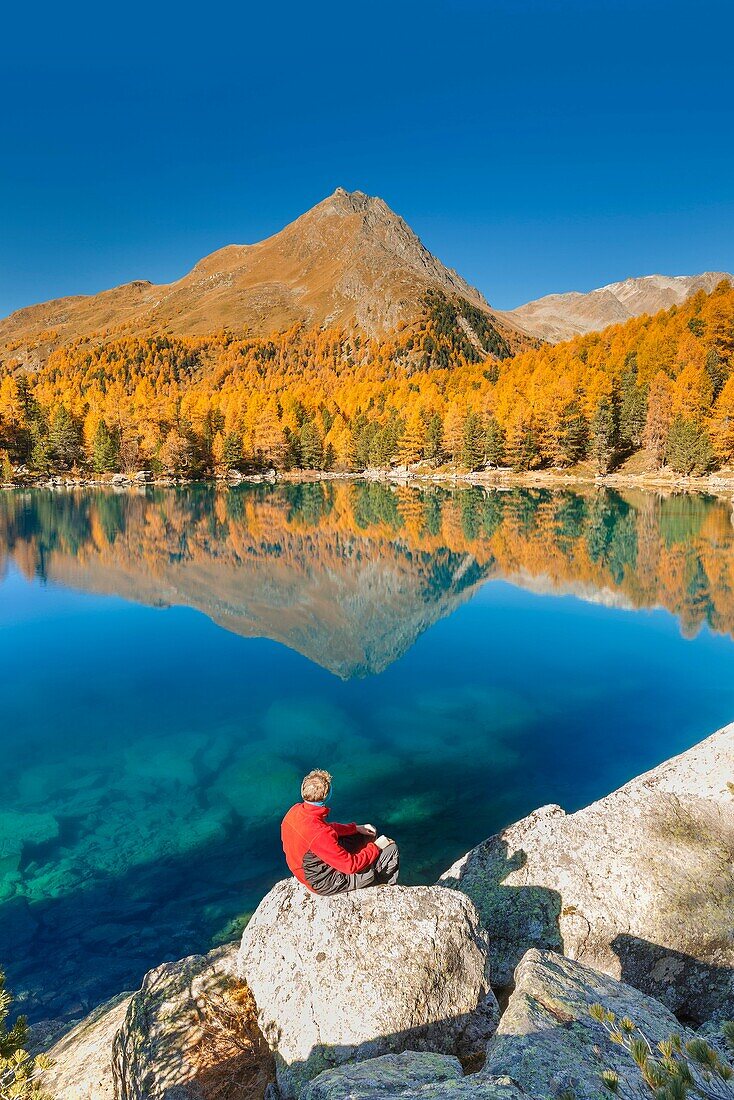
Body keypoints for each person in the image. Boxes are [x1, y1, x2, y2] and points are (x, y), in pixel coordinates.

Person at [281, 768, 400, 895]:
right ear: (327, 795)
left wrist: (356, 828)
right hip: (325, 882)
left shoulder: (294, 811)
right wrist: (376, 847)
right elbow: (350, 866)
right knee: (391, 849)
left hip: (308, 868)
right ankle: (385, 891)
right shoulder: (319, 835)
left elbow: (325, 828)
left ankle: (369, 870)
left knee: (365, 835)